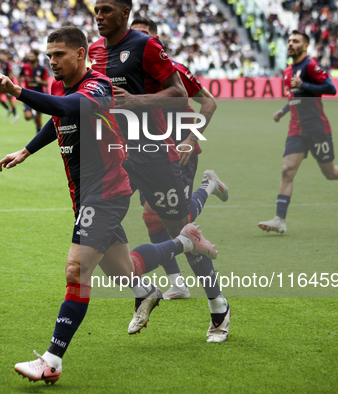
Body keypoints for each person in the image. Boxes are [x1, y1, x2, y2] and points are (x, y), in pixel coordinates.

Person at [0, 27, 218, 384]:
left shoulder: (98, 87)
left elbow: (68, 107)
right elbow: (59, 118)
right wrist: (26, 150)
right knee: (123, 270)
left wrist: (17, 91)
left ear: (80, 54)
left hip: (107, 192)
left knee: (76, 271)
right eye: (48, 55)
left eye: (59, 54)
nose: (52, 62)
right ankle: (179, 249)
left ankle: (52, 360)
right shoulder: (63, 88)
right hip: (85, 192)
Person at [90, 0, 230, 342]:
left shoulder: (158, 58)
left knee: (177, 227)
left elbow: (199, 100)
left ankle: (218, 305)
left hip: (160, 153)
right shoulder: (95, 52)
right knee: (101, 226)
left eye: (107, 9)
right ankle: (148, 289)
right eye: (97, 9)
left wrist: (186, 137)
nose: (99, 16)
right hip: (116, 156)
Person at [130, 17, 226, 300]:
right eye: (133, 36)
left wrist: (191, 139)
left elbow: (209, 102)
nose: (138, 41)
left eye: (145, 35)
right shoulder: (129, 73)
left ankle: (208, 185)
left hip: (180, 153)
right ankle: (177, 283)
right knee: (152, 216)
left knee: (174, 218)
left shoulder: (174, 71)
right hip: (149, 154)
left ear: (156, 41)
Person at [258, 30, 338, 234]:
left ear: (305, 46)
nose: (290, 44)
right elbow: (296, 97)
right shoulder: (288, 71)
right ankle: (280, 219)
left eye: (295, 41)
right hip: (296, 129)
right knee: (287, 170)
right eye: (289, 41)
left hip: (316, 128)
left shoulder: (311, 66)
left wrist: (304, 84)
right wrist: (284, 110)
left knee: (331, 173)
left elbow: (331, 88)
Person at [17, 50, 49, 133]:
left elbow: (46, 83)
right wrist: (20, 85)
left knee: (39, 117)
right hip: (27, 93)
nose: (30, 57)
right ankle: (34, 116)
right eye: (29, 56)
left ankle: (39, 131)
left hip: (39, 94)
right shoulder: (25, 67)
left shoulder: (41, 69)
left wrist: (40, 81)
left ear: (36, 56)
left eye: (32, 56)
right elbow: (19, 76)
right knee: (27, 116)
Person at [0, 51, 19, 123]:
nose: (1, 57)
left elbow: (10, 74)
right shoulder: (3, 64)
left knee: (10, 100)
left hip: (8, 84)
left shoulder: (8, 64)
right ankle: (9, 109)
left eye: (2, 55)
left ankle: (15, 115)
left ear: (5, 56)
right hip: (3, 83)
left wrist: (8, 83)